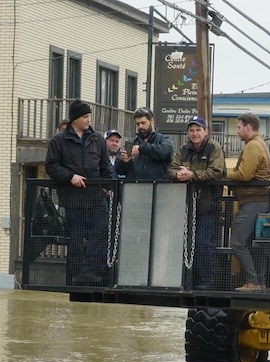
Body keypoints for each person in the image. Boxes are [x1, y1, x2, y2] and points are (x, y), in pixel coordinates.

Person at [45, 100, 114, 286]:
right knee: (75, 239)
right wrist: (70, 177)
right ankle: (75, 277)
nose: (88, 120)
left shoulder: (97, 139)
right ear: (75, 119)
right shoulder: (59, 140)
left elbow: (105, 166)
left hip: (95, 197)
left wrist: (109, 186)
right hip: (73, 198)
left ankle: (90, 273)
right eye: (85, 117)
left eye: (89, 116)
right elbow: (51, 166)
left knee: (100, 232)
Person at [168, 115, 226, 290]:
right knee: (182, 243)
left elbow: (217, 171)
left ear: (205, 131)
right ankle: (184, 281)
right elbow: (171, 168)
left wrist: (192, 175)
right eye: (191, 130)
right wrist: (178, 175)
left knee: (203, 244)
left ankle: (204, 283)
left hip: (208, 206)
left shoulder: (214, 148)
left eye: (198, 130)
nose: (194, 133)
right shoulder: (182, 149)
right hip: (185, 207)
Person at [226, 112, 270, 292]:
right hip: (259, 201)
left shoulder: (253, 146)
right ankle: (259, 282)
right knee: (255, 243)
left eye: (238, 127)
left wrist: (227, 175)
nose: (237, 131)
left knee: (237, 242)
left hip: (253, 201)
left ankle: (252, 282)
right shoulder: (261, 144)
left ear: (248, 126)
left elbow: (245, 174)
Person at [116, 107, 174, 180]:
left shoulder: (164, 140)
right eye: (138, 124)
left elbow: (166, 152)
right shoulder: (132, 142)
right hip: (135, 188)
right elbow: (119, 170)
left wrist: (141, 148)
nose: (140, 126)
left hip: (157, 188)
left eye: (143, 123)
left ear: (152, 121)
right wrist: (124, 162)